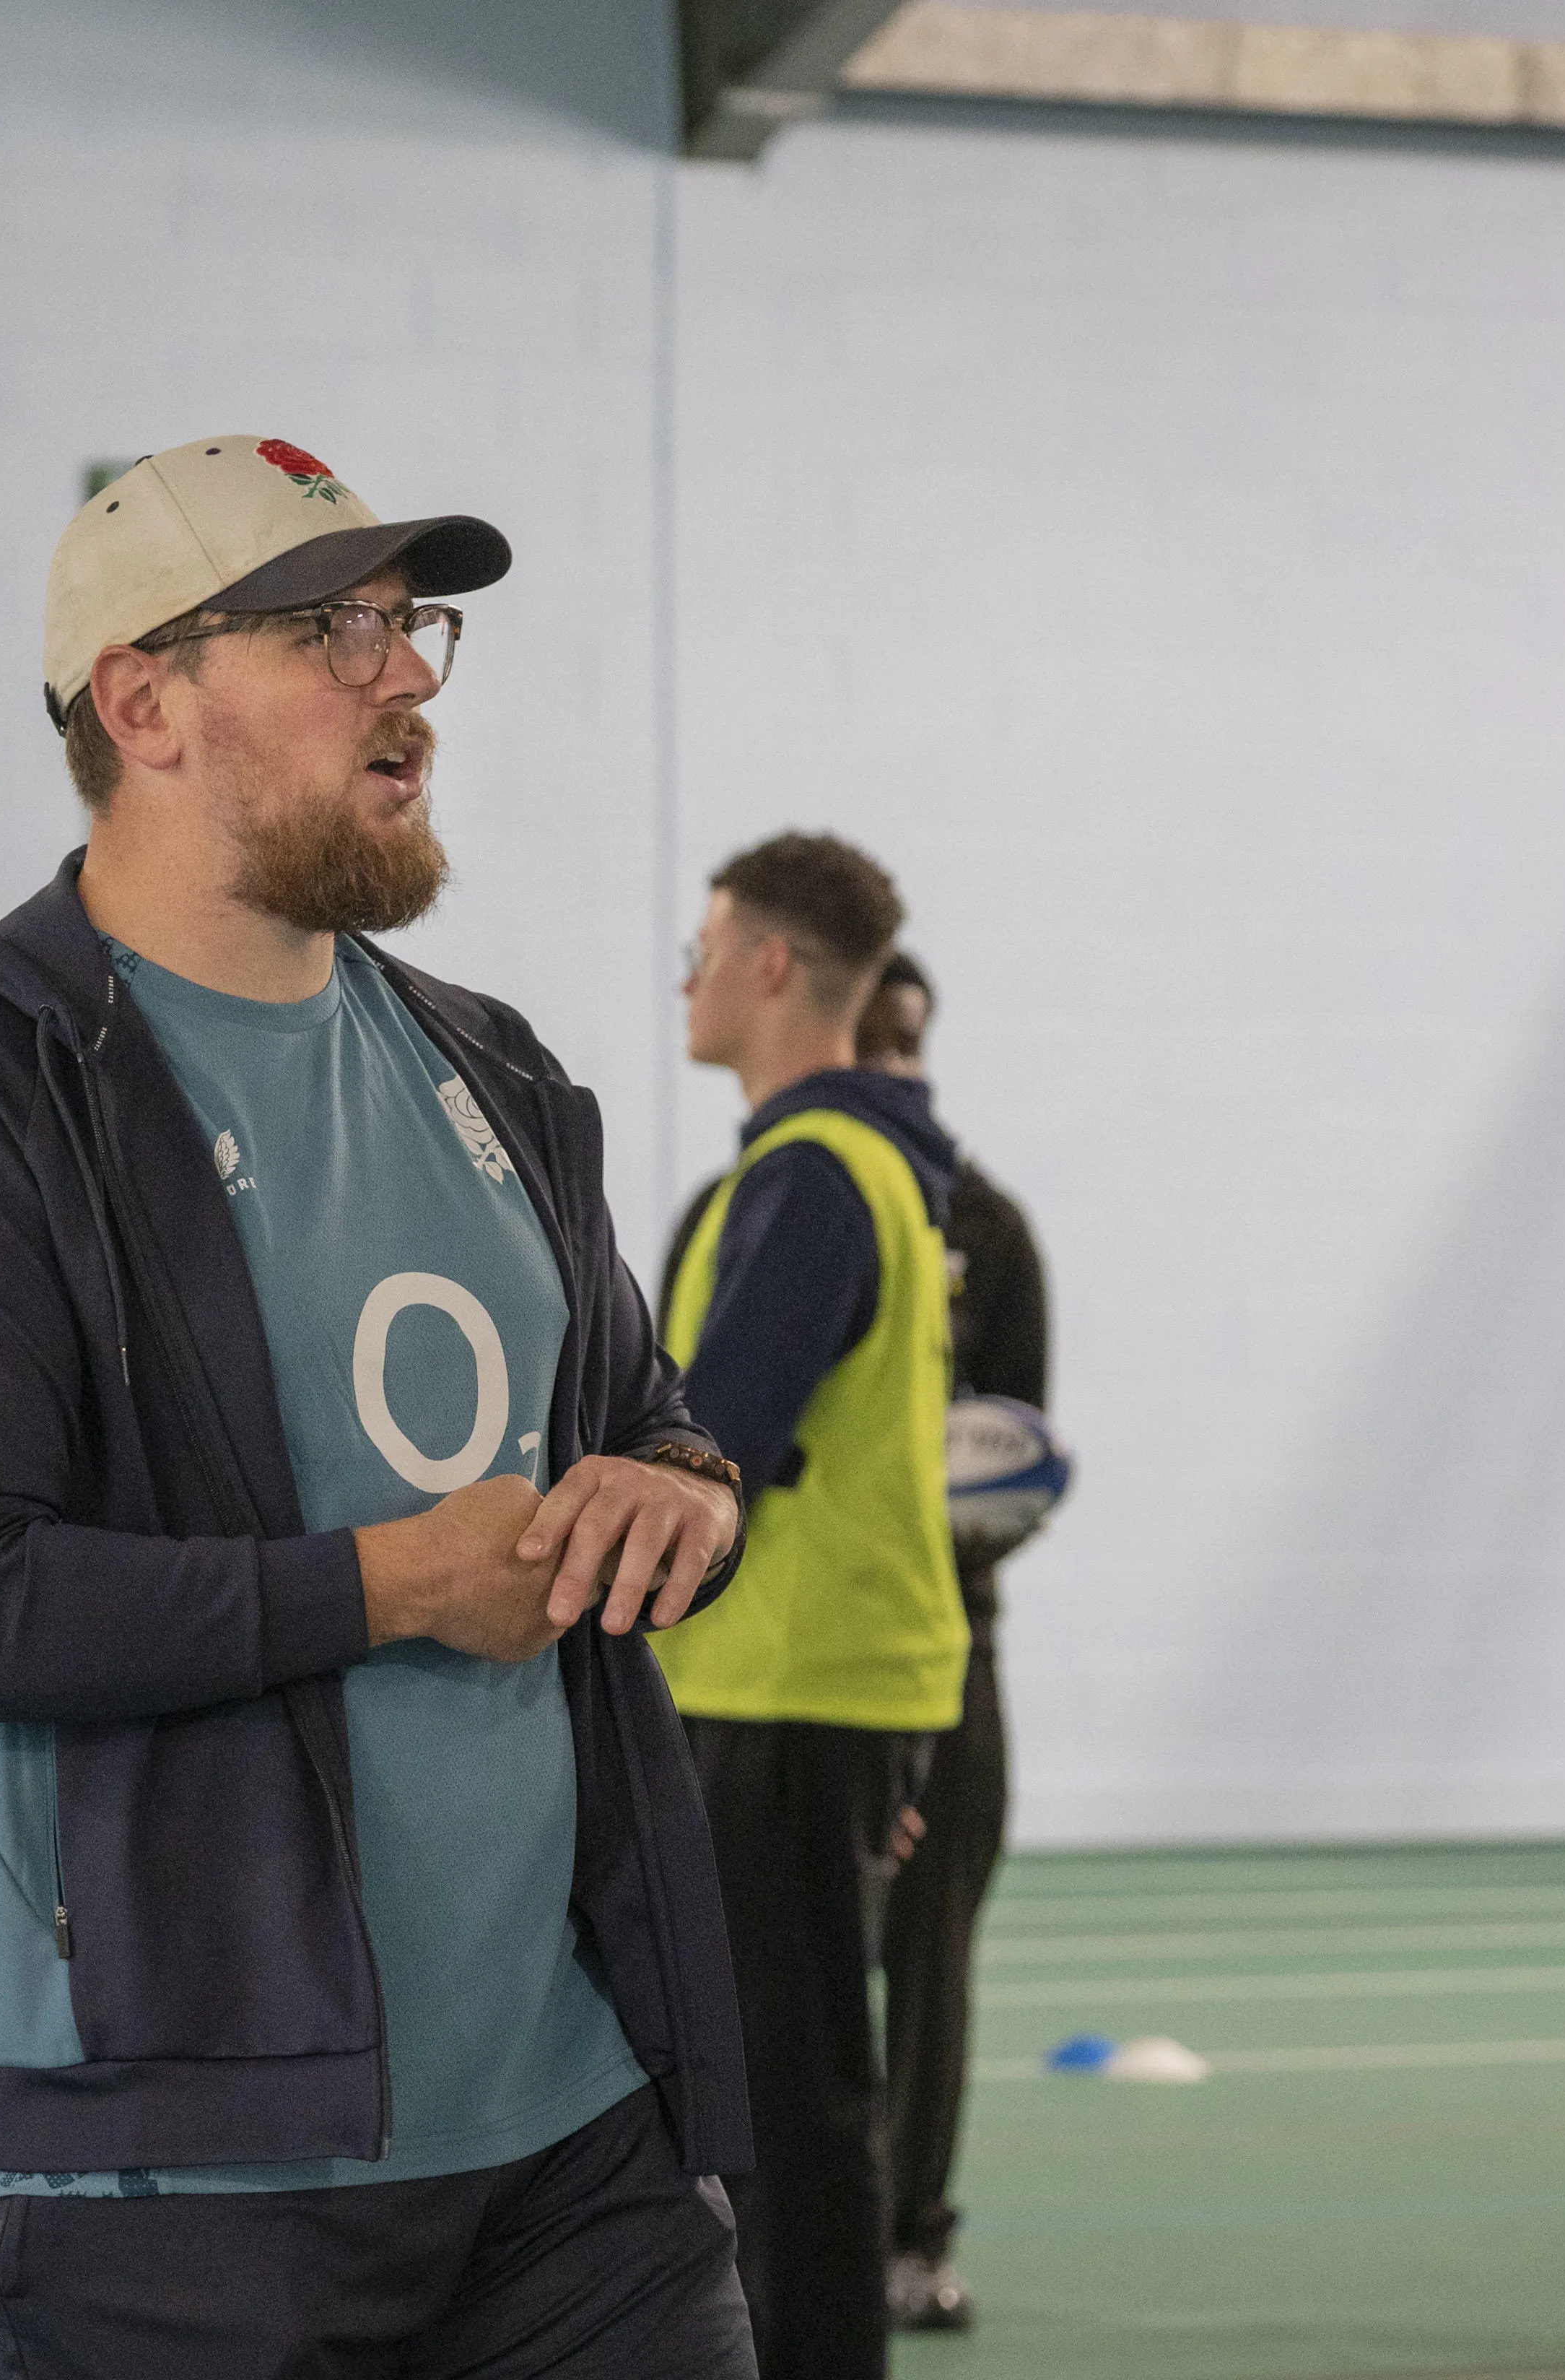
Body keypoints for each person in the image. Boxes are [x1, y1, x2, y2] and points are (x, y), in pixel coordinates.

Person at [0, 433, 756, 2379]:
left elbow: (649, 1424)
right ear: (143, 702)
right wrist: (388, 1585)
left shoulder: (490, 1074)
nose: (403, 678)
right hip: (174, 2154)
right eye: (330, 632)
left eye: (410, 628)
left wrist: (679, 1495)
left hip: (570, 2122)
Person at [654, 835, 967, 2380]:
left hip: (782, 1698)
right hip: (829, 1697)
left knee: (788, 2111)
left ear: (772, 964)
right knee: (792, 2098)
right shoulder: (863, 1169)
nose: (685, 973)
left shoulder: (811, 1179)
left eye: (705, 943)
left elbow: (713, 1451)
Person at [861, 954, 1048, 2335]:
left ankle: (912, 2237)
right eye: (871, 1036)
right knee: (782, 1964)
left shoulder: (988, 1230)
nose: (891, 1062)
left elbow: (1019, 1461)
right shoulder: (763, 1209)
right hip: (793, 1678)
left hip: (946, 1660)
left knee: (932, 1957)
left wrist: (967, 1511)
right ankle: (770, 2230)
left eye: (908, 1038)